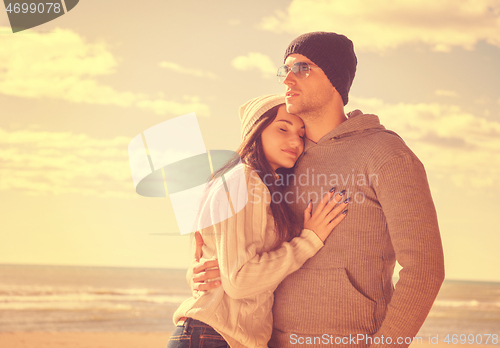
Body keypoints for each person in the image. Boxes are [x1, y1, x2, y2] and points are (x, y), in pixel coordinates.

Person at [191, 32, 445, 348]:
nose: (287, 80)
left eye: (303, 68)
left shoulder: (385, 153)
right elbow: (250, 251)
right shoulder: (282, 161)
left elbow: (424, 268)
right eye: (285, 70)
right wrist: (212, 275)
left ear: (335, 79)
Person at [166, 95, 349, 348]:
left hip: (219, 336)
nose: (295, 140)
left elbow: (221, 265)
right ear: (256, 131)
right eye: (283, 128)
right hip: (214, 337)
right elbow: (239, 280)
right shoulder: (245, 180)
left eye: (301, 133)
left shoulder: (256, 185)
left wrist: (195, 274)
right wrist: (309, 240)